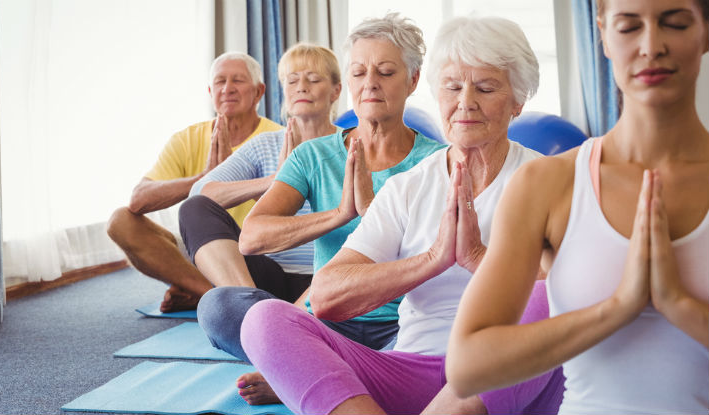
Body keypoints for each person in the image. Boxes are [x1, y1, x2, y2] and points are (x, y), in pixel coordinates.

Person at [239, 16, 565, 415]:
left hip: (509, 374)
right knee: (264, 319)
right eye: (452, 87)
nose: (465, 102)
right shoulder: (408, 187)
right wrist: (432, 260)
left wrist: (478, 258)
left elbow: (580, 291)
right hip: (414, 369)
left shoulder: (551, 180)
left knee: (548, 297)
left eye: (485, 87)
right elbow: (325, 297)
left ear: (517, 101)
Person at [446, 0, 709, 414]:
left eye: (674, 23)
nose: (651, 45)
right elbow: (467, 367)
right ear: (602, 34)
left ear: (705, 31)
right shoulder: (548, 184)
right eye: (628, 27)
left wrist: (677, 303)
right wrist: (617, 308)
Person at [212, 12, 445, 405]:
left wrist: (375, 213)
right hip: (327, 323)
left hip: (405, 326)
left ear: (413, 80)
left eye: (386, 71)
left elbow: (443, 256)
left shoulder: (438, 161)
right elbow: (251, 238)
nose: (369, 83)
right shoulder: (313, 155)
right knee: (219, 307)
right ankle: (323, 365)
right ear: (348, 82)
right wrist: (341, 214)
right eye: (358, 72)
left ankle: (302, 370)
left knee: (451, 346)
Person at [180, 43, 342, 361]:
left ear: (336, 91)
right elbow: (200, 193)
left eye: (313, 79)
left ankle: (277, 344)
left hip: (329, 279)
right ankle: (255, 312)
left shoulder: (351, 146)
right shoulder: (266, 145)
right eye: (292, 80)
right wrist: (274, 181)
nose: (302, 87)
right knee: (194, 211)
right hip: (268, 279)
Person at [106, 52, 282, 312]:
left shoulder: (276, 138)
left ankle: (210, 292)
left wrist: (235, 181)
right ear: (211, 91)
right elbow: (138, 199)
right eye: (220, 82)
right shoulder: (187, 138)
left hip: (255, 253)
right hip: (201, 247)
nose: (228, 88)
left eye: (238, 81)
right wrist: (205, 179)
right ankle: (208, 293)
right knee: (120, 221)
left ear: (259, 92)